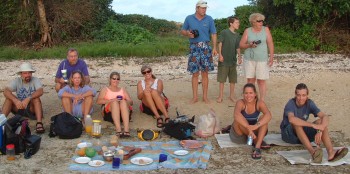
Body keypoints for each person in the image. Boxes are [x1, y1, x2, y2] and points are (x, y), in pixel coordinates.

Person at [280, 83, 348, 163]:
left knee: (320, 121)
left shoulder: (309, 103)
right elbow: (291, 119)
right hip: (289, 135)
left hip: (302, 135)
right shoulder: (290, 103)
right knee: (297, 123)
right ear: (295, 95)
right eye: (298, 95)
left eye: (303, 95)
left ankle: (331, 152)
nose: (301, 98)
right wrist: (314, 125)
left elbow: (325, 116)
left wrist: (320, 128)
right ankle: (313, 153)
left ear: (307, 95)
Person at [181, 0, 217, 104]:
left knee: (205, 73)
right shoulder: (189, 18)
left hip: (206, 47)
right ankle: (195, 97)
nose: (204, 10)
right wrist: (188, 33)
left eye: (205, 8)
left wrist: (214, 47)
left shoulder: (209, 19)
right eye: (202, 8)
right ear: (197, 8)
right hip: (194, 47)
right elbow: (183, 30)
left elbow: (214, 33)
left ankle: (205, 97)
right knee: (195, 73)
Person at [229, 83, 272, 159]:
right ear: (243, 94)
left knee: (263, 118)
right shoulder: (240, 102)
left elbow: (268, 115)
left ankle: (257, 147)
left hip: (253, 131)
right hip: (241, 134)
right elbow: (236, 115)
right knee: (238, 120)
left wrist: (256, 126)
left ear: (255, 94)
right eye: (246, 93)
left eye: (251, 93)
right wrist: (249, 129)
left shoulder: (259, 103)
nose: (248, 96)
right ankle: (257, 141)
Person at [239, 13, 274, 101]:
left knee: (261, 80)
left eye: (262, 21)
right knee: (250, 80)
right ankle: (251, 99)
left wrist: (271, 57)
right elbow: (241, 44)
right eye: (259, 21)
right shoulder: (247, 31)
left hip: (262, 59)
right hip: (249, 59)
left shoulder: (266, 30)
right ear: (253, 22)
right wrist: (249, 45)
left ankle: (261, 100)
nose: (261, 23)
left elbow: (270, 43)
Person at [2, 62, 45, 133]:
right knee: (9, 99)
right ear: (21, 74)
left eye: (29, 73)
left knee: (36, 98)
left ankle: (39, 123)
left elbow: (40, 91)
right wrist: (15, 100)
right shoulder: (17, 81)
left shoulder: (35, 80)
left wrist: (28, 98)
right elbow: (6, 91)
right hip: (20, 107)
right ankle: (1, 121)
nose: (28, 75)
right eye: (25, 73)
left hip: (31, 109)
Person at [96, 72, 133, 137]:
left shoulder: (122, 89)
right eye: (114, 79)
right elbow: (98, 101)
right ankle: (118, 129)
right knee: (115, 103)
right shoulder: (105, 89)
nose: (116, 80)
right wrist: (112, 100)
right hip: (109, 113)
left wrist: (125, 101)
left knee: (123, 102)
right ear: (110, 79)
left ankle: (126, 129)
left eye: (117, 79)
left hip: (124, 113)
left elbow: (131, 102)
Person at [216, 16, 242, 103]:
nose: (238, 24)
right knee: (222, 80)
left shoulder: (237, 35)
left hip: (232, 60)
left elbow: (237, 47)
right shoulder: (224, 32)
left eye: (238, 23)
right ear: (231, 23)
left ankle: (231, 96)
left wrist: (239, 56)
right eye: (236, 22)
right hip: (224, 60)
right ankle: (220, 96)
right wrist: (220, 55)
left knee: (233, 80)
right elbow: (220, 43)